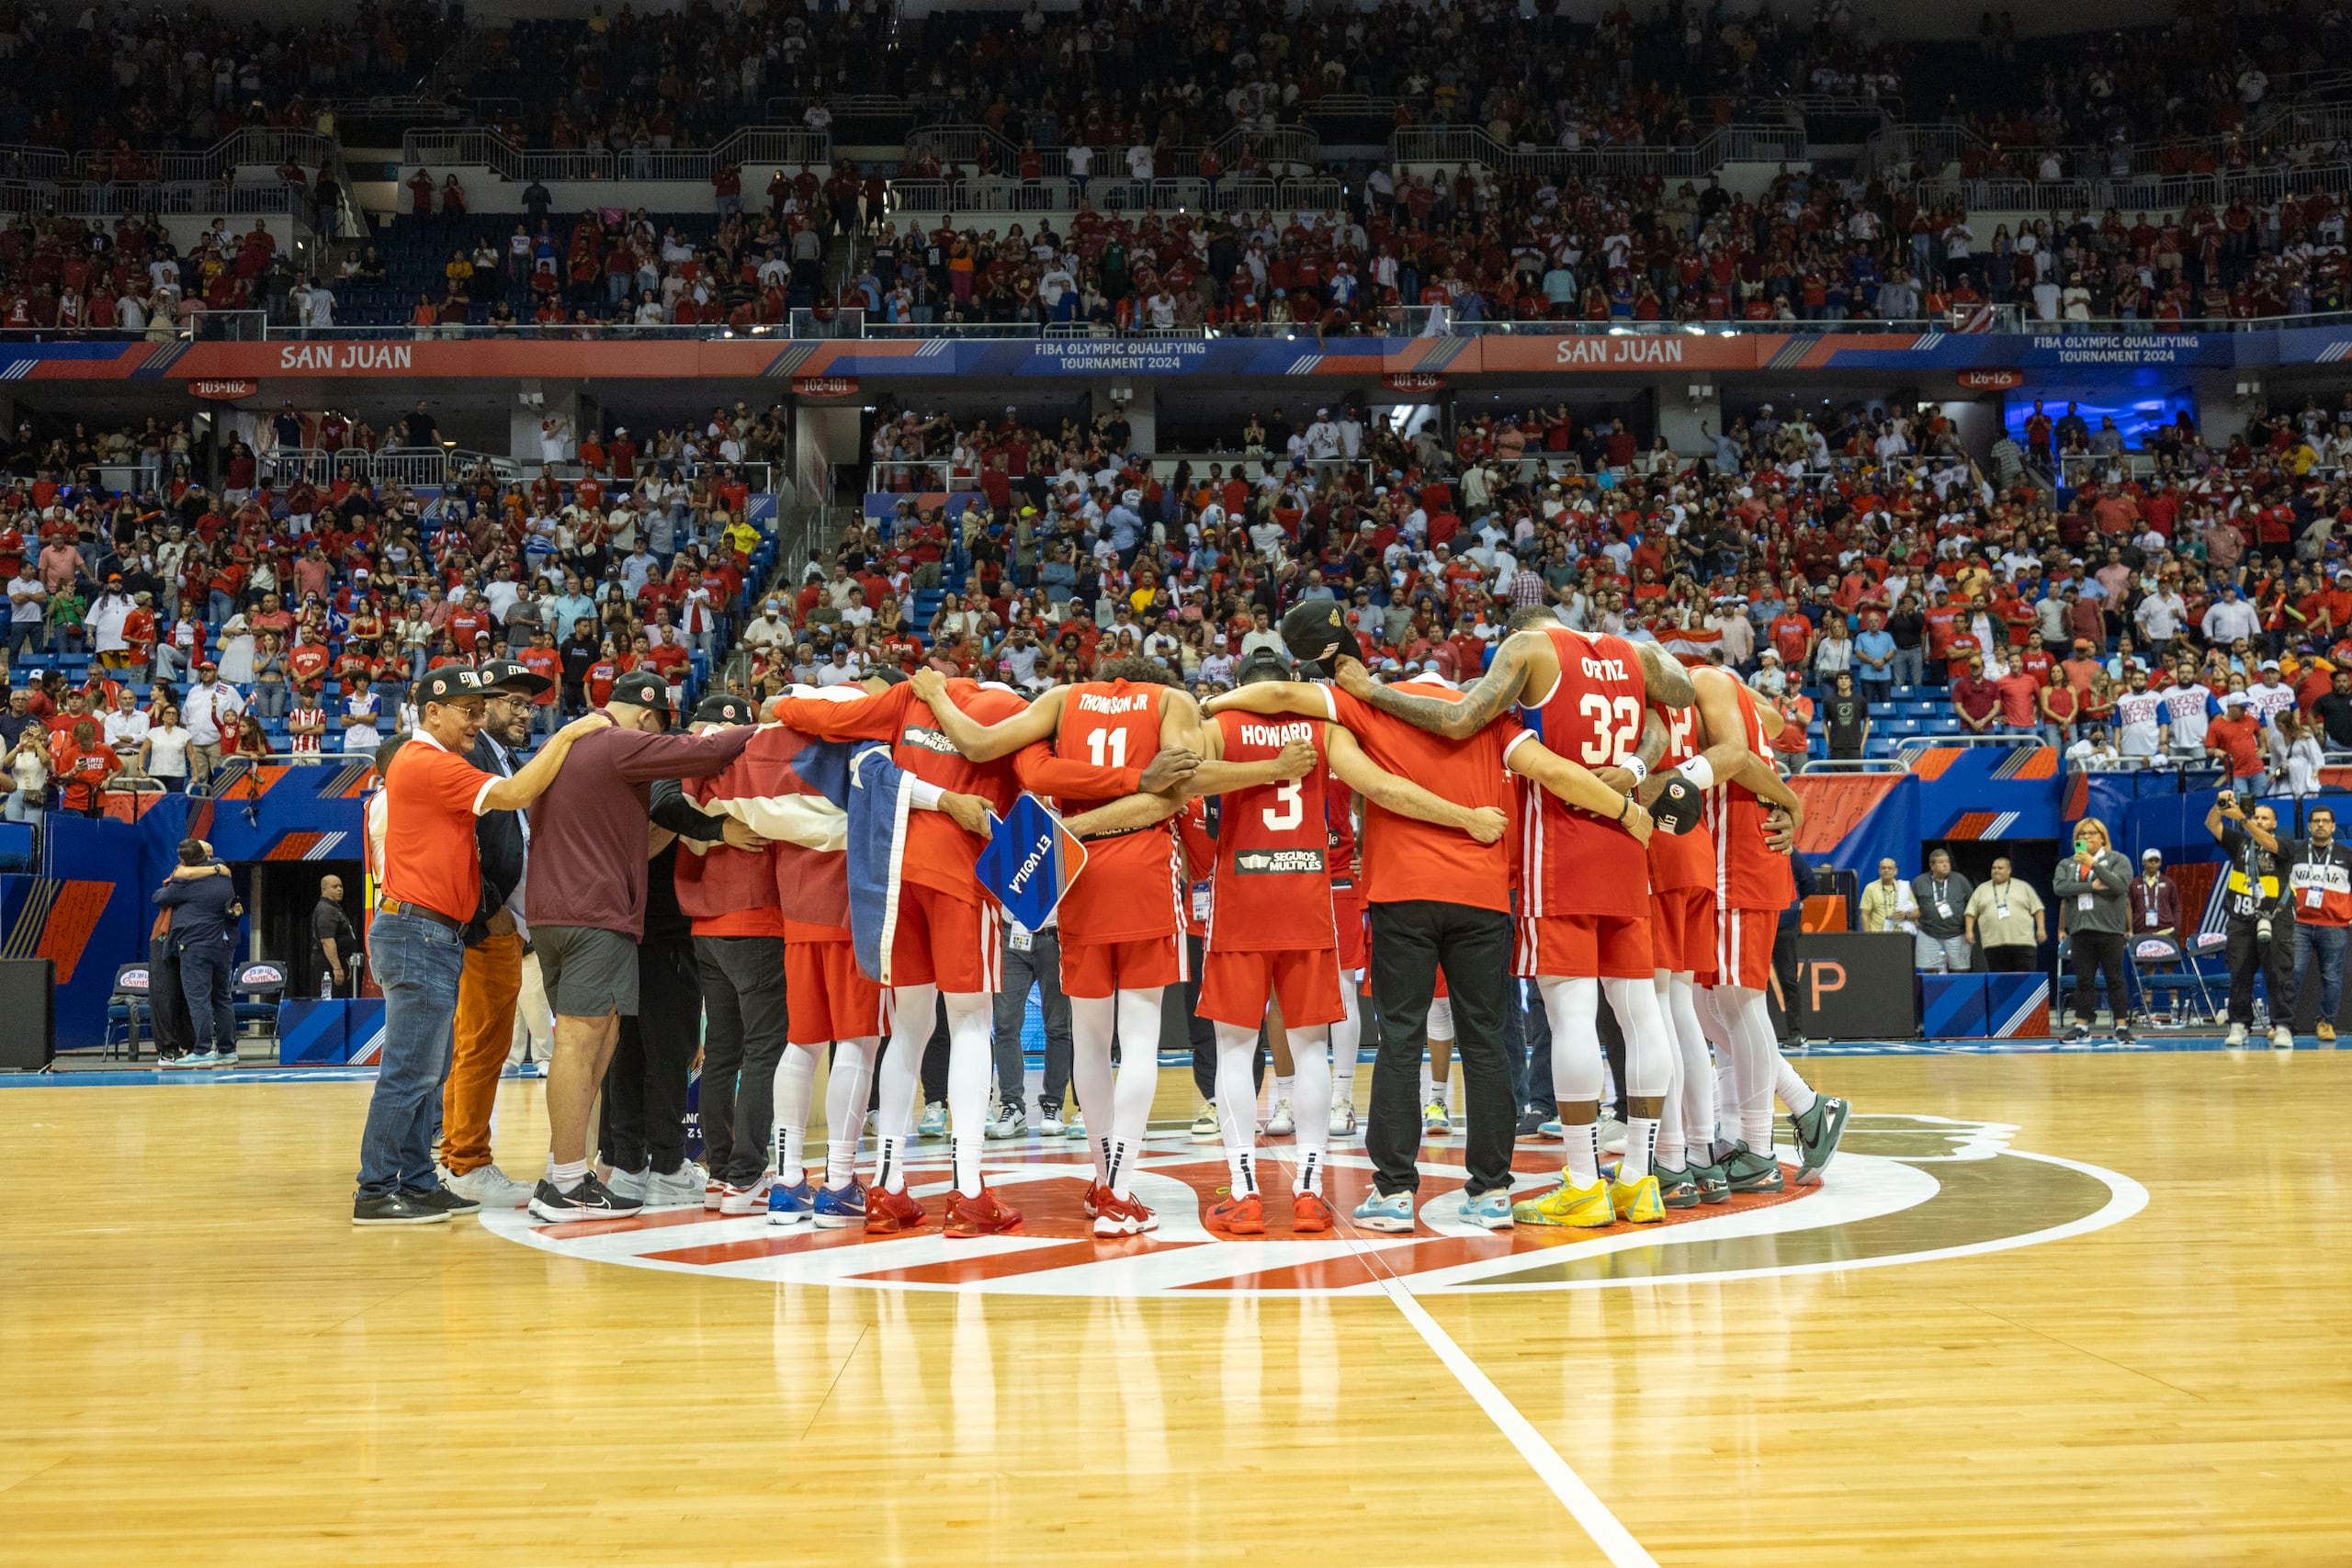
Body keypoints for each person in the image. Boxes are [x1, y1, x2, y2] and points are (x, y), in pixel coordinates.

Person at [1242, 602, 1680, 1232]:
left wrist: (1209, 706)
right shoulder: (1502, 724)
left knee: (1402, 1040)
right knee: (1495, 1040)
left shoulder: (1370, 706)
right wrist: (1628, 809)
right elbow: (1561, 770)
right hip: (1488, 897)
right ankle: (1499, 1189)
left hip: (1407, 894)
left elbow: (1288, 698)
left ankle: (1394, 1192)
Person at [1193, 646, 1505, 1235]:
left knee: (1236, 1049)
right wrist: (1463, 816)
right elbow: (1384, 789)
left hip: (1242, 900)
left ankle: (1244, 1191)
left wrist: (1257, 769)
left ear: (1239, 685)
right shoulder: (1324, 729)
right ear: (1288, 682)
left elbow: (1187, 775)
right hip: (1309, 900)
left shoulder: (1218, 725)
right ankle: (1310, 1191)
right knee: (1314, 1047)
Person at [353, 669, 604, 1226]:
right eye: (466, 710)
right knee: (409, 1071)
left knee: (431, 1067)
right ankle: (375, 1190)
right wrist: (566, 735)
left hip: (437, 931)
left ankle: (418, 1180)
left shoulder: (436, 761)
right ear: (430, 712)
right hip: (420, 929)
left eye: (475, 709)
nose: (474, 720)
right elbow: (515, 795)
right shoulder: (427, 761)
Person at [524, 671, 757, 1223]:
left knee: (605, 1047)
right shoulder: (618, 745)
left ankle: (597, 1168)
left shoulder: (564, 748)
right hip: (603, 918)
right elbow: (701, 763)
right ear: (649, 719)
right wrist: (776, 724)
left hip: (556, 913)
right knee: (597, 1047)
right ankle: (575, 1180)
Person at [436, 660, 548, 1212]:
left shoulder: (502, 758)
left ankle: (455, 1152)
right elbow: (460, 840)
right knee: (483, 1045)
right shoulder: (474, 753)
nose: (524, 713)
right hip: (489, 924)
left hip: (506, 922)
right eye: (513, 702)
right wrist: (490, 911)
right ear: (482, 707)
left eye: (530, 705)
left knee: (477, 1044)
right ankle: (468, 1161)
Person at [2205, 791, 2297, 1049]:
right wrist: (2219, 805)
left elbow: (2271, 846)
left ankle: (2282, 1027)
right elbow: (2212, 825)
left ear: (2274, 823)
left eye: (2264, 818)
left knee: (2278, 973)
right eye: (2256, 816)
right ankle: (2238, 1025)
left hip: (2275, 918)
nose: (2258, 820)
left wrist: (2243, 820)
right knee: (2239, 973)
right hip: (2241, 919)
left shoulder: (2286, 842)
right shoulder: (2239, 843)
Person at [153, 839, 240, 1067]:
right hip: (223, 944)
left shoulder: (183, 882)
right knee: (222, 997)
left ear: (182, 860)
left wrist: (179, 875)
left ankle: (202, 1051)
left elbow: (160, 897)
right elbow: (217, 866)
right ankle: (227, 1050)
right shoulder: (222, 870)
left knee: (199, 1000)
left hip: (195, 945)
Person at [2054, 817, 2133, 1042]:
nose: (2086, 837)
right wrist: (2091, 886)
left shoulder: (2117, 859)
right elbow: (2060, 887)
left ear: (2102, 837)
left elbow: (2119, 886)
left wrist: (2094, 864)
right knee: (2084, 980)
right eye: (2081, 834)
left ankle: (2121, 1027)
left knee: (2114, 979)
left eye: (2091, 833)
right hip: (2080, 930)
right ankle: (2082, 1028)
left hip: (2110, 930)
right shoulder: (2067, 864)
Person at [2283, 805, 2352, 1043]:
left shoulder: (2346, 854)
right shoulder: (2295, 851)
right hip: (2299, 923)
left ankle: (2326, 1023)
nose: (2321, 825)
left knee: (2332, 977)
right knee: (2293, 972)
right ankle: (2284, 1025)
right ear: (2309, 826)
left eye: (2325, 821)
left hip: (2334, 924)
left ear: (2333, 826)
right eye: (2316, 821)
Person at [1965, 857, 2047, 971]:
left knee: (2025, 980)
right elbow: (1970, 913)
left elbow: (2038, 910)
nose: (1996, 871)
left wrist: (2041, 929)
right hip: (1993, 945)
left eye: (2000, 868)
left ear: (2009, 870)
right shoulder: (1982, 889)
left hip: (2023, 943)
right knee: (2000, 982)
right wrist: (1969, 932)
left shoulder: (2023, 886)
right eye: (1993, 868)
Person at [1910, 848, 1975, 972]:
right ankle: (1931, 991)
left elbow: (1972, 903)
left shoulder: (1960, 880)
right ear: (1932, 865)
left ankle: (1959, 991)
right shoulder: (1920, 881)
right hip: (1928, 933)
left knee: (1961, 969)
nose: (1945, 865)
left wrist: (1969, 930)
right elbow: (1912, 905)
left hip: (1957, 933)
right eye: (1941, 862)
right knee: (1929, 970)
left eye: (1947, 861)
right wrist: (1916, 922)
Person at [312, 874, 357, 998]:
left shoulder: (334, 908)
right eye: (335, 887)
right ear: (324, 890)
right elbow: (327, 941)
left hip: (338, 963)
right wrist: (337, 968)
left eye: (341, 886)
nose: (339, 889)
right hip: (328, 967)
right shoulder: (325, 910)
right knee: (332, 1002)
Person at [1859, 857, 1917, 934]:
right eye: (1883, 868)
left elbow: (1917, 912)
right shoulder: (1871, 888)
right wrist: (1869, 936)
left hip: (1900, 935)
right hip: (1878, 935)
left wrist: (1906, 915)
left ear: (1895, 871)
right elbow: (1864, 914)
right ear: (1879, 871)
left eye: (1889, 868)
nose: (1886, 870)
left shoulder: (1903, 887)